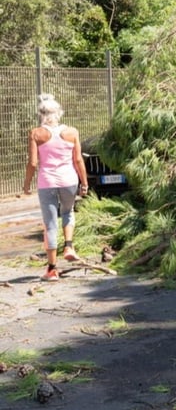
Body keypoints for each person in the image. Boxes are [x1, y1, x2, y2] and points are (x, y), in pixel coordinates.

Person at [19, 94, 89, 281]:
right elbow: (78, 159)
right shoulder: (72, 132)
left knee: (50, 224)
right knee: (68, 213)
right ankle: (68, 246)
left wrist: (26, 185)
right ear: (59, 113)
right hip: (69, 180)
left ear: (40, 114)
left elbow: (33, 163)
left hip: (47, 182)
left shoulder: (36, 133)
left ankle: (51, 270)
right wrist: (85, 182)